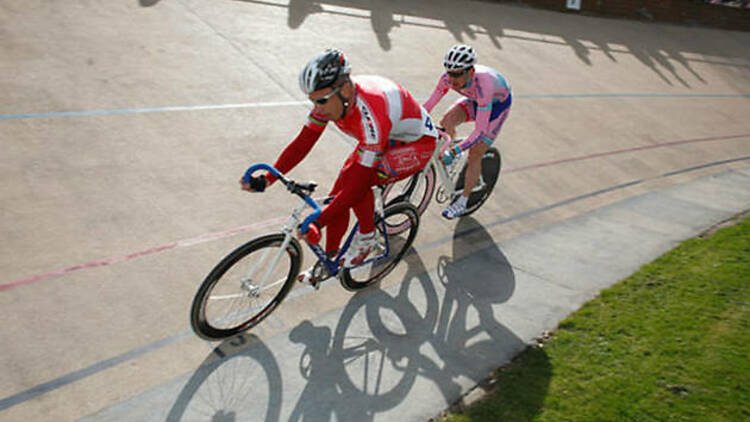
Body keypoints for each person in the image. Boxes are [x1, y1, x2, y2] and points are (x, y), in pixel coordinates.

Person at [241, 48, 437, 286]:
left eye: (321, 101)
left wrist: (318, 221)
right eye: (312, 101)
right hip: (386, 135)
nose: (318, 108)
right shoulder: (333, 99)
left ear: (344, 89)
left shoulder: (370, 114)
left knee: (358, 184)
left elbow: (358, 186)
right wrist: (269, 178)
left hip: (418, 143)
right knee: (338, 193)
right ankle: (328, 260)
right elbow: (303, 142)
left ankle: (367, 236)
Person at [423, 44, 512, 219]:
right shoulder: (447, 78)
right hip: (475, 100)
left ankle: (463, 201)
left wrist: (456, 149)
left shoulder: (484, 85)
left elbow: (479, 131)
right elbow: (428, 106)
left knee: (475, 152)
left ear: (470, 71)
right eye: (449, 72)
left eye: (457, 74)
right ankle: (454, 155)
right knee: (447, 121)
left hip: (496, 107)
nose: (451, 78)